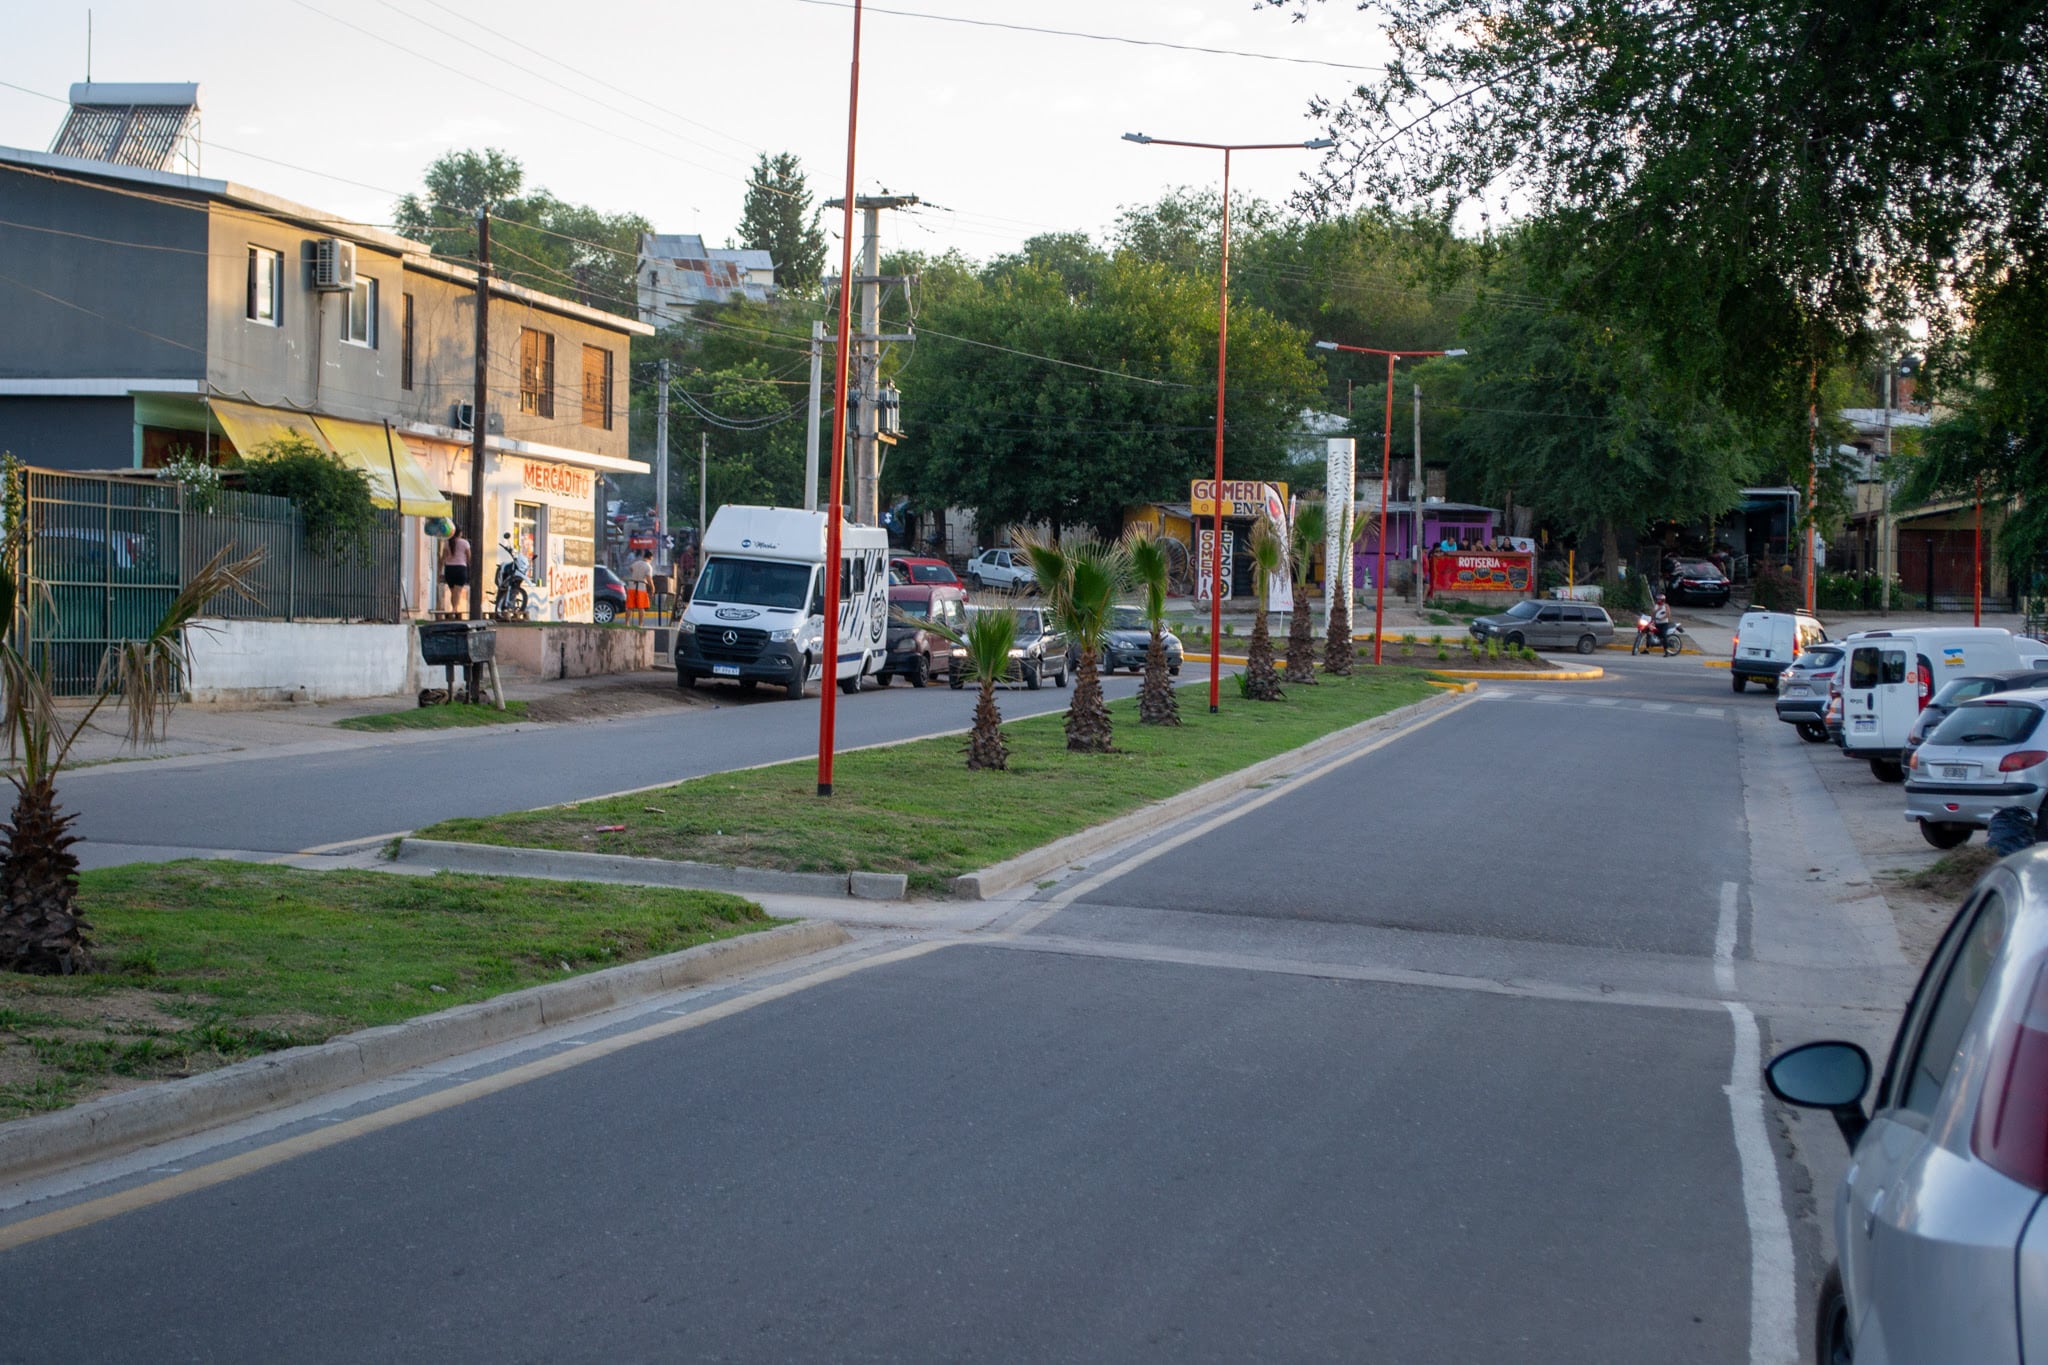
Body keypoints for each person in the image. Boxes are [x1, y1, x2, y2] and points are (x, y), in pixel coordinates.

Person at [441, 526, 470, 614]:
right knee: (457, 591)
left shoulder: (447, 543)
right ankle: (454, 610)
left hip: (449, 569)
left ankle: (454, 609)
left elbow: (443, 557)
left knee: (453, 591)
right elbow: (468, 555)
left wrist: (440, 569)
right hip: (460, 568)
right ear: (460, 533)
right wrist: (469, 564)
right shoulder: (465, 543)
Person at [626, 548, 655, 625]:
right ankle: (640, 624)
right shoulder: (648, 567)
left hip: (632, 586)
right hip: (641, 587)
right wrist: (652, 588)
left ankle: (627, 623)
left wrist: (635, 574)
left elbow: (630, 568)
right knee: (641, 607)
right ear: (651, 558)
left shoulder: (636, 563)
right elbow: (649, 579)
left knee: (630, 607)